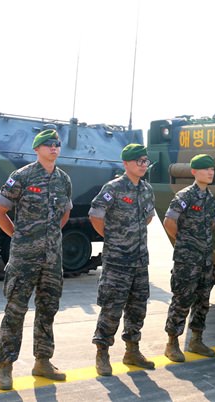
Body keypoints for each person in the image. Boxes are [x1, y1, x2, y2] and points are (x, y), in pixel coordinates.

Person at [0, 129, 72, 390]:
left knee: (48, 310)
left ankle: (43, 361)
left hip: (52, 258)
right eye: (48, 144)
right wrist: (19, 236)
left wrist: (51, 235)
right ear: (37, 149)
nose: (53, 148)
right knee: (15, 312)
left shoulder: (63, 180)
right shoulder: (22, 176)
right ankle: (5, 366)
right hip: (24, 258)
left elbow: (65, 212)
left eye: (57, 144)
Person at [88, 143, 156, 376]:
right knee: (112, 307)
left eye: (145, 161)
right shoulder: (113, 188)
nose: (143, 165)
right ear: (126, 164)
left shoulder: (146, 189)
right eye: (139, 161)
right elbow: (96, 215)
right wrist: (113, 238)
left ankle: (132, 351)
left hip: (140, 260)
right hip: (118, 261)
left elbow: (148, 217)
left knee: (138, 307)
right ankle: (102, 353)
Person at [163, 154, 215, 362]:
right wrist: (185, 243)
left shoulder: (211, 199)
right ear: (194, 172)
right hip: (187, 260)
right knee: (182, 299)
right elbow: (169, 222)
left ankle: (196, 340)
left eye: (212, 169)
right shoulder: (185, 196)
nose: (210, 172)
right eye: (205, 169)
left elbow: (211, 224)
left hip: (205, 259)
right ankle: (172, 343)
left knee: (203, 300)